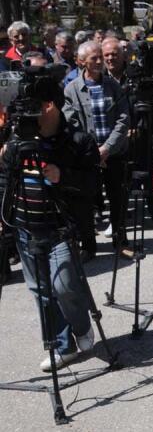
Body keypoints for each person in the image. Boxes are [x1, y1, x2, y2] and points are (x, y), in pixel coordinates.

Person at [0, 67, 98, 371]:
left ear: (49, 106)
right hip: (24, 227)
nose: (25, 116)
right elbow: (3, 180)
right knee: (41, 291)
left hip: (60, 228)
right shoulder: (16, 141)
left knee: (66, 285)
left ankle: (81, 327)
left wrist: (62, 175)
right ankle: (62, 345)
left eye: (33, 108)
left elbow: (94, 187)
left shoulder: (77, 141)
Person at [63, 42, 131, 261]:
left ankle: (121, 242)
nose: (101, 61)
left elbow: (123, 119)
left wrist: (107, 149)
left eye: (101, 57)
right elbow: (71, 123)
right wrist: (92, 152)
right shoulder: (72, 89)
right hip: (86, 158)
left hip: (113, 154)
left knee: (118, 199)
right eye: (95, 58)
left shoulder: (113, 86)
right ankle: (88, 246)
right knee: (84, 203)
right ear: (81, 61)